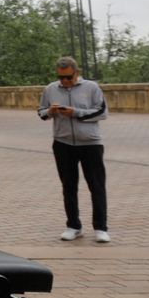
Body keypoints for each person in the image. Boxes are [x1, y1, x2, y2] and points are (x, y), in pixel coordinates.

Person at [38, 55, 110, 243]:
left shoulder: (92, 87)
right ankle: (73, 225)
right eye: (61, 77)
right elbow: (41, 112)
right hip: (63, 144)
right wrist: (50, 112)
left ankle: (101, 228)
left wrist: (76, 113)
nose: (65, 81)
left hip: (91, 144)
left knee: (97, 186)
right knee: (68, 186)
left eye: (68, 77)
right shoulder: (50, 89)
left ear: (76, 73)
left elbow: (102, 112)